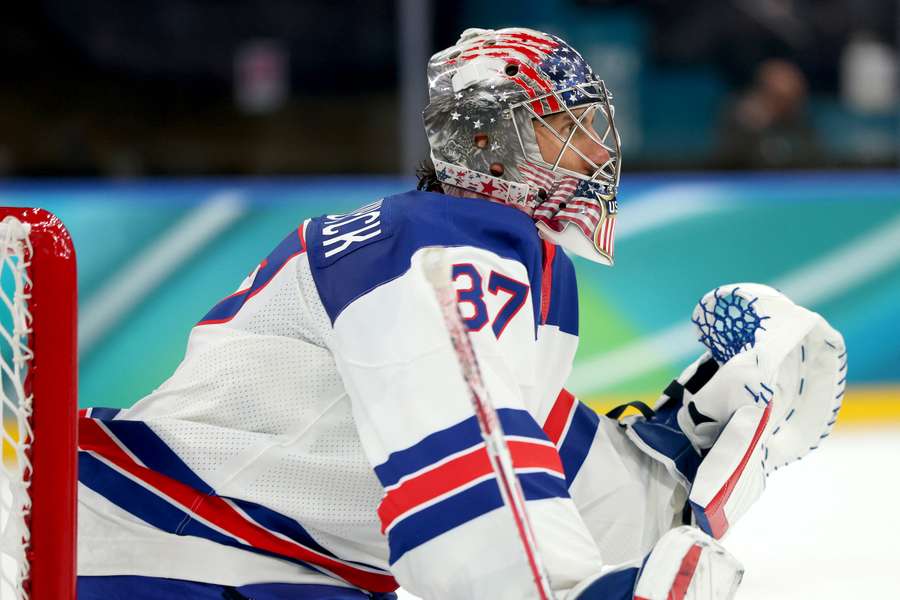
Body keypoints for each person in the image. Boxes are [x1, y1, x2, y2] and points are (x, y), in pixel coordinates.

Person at [77, 28, 845, 599]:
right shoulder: (438, 246)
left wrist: (699, 442)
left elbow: (543, 464)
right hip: (176, 555)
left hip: (210, 555)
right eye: (561, 125)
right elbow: (466, 467)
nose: (595, 151)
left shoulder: (472, 254)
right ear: (484, 142)